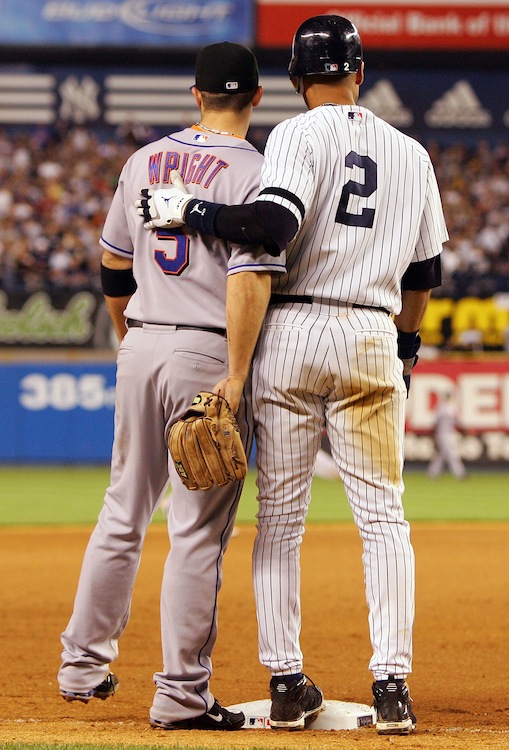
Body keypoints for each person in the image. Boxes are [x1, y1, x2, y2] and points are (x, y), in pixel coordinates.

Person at [137, 15, 447, 735]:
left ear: (297, 79)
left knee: (278, 520)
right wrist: (404, 350)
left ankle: (284, 681)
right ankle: (392, 684)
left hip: (295, 330)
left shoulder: (296, 134)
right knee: (384, 519)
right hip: (372, 330)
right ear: (359, 73)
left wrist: (191, 210)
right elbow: (425, 273)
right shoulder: (412, 154)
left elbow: (272, 230)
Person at [57, 42, 285, 731]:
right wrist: (236, 375)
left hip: (142, 341)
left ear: (195, 95)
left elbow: (112, 264)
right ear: (256, 98)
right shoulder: (257, 168)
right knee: (197, 532)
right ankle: (182, 695)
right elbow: (250, 277)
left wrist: (130, 339)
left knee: (122, 511)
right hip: (207, 350)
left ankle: (81, 663)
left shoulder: (141, 162)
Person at [427, 391, 466, 479]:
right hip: (442, 433)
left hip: (450, 434)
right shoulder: (440, 407)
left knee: (442, 454)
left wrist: (463, 430)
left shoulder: (452, 407)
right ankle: (460, 473)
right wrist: (433, 434)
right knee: (452, 454)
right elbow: (435, 422)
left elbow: (457, 422)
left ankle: (432, 472)